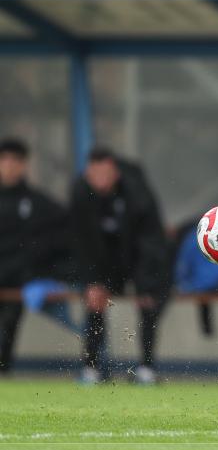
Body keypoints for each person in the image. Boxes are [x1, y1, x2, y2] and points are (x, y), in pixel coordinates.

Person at [70, 147, 169, 384]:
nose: (100, 180)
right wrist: (93, 280)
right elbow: (82, 242)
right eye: (95, 174)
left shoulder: (137, 192)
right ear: (87, 173)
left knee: (148, 303)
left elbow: (151, 239)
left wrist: (145, 283)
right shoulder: (80, 194)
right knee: (94, 300)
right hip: (105, 260)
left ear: (115, 173)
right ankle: (92, 368)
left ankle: (146, 368)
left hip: (139, 258)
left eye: (105, 173)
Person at [0, 138, 70, 375]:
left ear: (24, 166)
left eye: (15, 161)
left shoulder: (36, 202)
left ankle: (4, 372)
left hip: (19, 282)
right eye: (5, 160)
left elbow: (64, 232)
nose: (9, 166)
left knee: (7, 327)